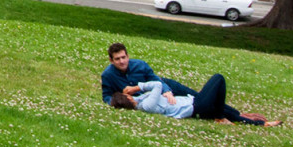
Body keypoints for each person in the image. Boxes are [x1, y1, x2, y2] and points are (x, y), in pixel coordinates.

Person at [101, 42, 267, 123]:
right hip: (153, 96)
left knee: (201, 96)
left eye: (124, 57)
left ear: (128, 56)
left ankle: (237, 115)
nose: (122, 62)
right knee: (208, 97)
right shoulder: (108, 75)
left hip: (164, 88)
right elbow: (107, 96)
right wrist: (119, 102)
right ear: (111, 60)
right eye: (117, 59)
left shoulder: (139, 65)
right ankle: (234, 117)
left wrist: (166, 90)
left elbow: (156, 80)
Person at [110, 75, 281, 126]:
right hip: (196, 107)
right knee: (219, 79)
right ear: (128, 97)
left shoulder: (141, 103)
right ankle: (221, 117)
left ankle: (261, 124)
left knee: (224, 110)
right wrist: (138, 86)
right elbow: (156, 85)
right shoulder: (146, 105)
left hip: (194, 103)